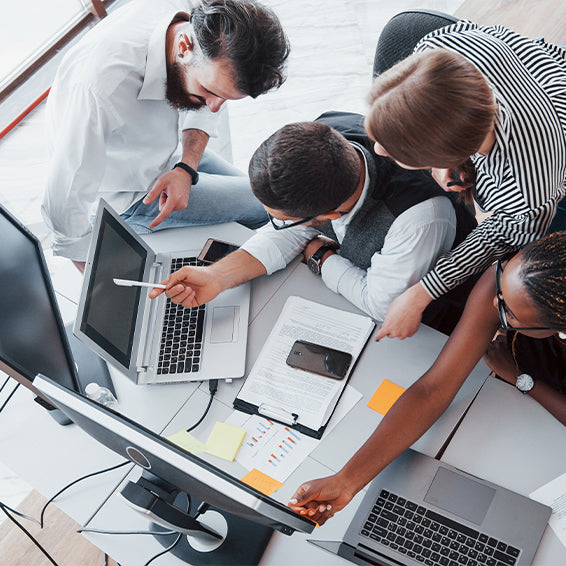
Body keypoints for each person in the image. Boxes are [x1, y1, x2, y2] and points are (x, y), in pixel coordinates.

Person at [288, 231, 566, 525]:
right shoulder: (506, 281)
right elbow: (433, 389)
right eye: (501, 283)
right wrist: (346, 481)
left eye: (509, 313)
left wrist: (524, 381)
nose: (495, 304)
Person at [149, 111, 476, 326]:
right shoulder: (322, 138)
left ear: (330, 215)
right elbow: (288, 232)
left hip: (437, 317)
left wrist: (322, 258)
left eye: (284, 219)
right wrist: (217, 276)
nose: (276, 224)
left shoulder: (418, 218)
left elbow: (380, 304)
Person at [42, 0, 290, 272]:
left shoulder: (199, 21)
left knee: (272, 195)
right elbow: (63, 202)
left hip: (166, 153)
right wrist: (96, 279)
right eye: (208, 92)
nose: (214, 107)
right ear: (184, 46)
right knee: (268, 205)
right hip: (131, 194)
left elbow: (207, 104)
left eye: (225, 98)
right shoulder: (100, 90)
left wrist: (186, 167)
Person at [365, 21, 566, 341]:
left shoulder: (526, 188)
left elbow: (499, 235)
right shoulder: (437, 48)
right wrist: (447, 158)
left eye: (392, 151)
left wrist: (422, 292)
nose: (377, 149)